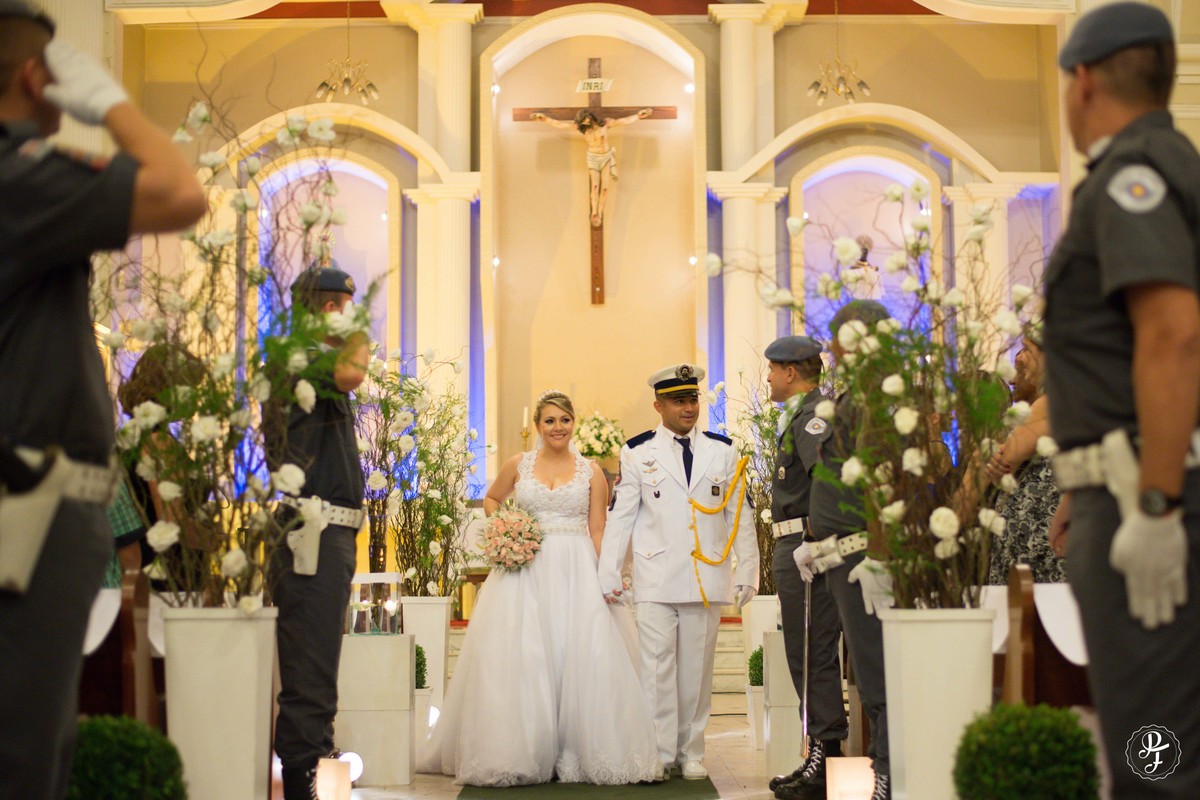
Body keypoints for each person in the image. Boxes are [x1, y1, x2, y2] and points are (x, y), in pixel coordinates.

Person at [0, 4, 205, 798]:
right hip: (27, 497)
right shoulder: (21, 176)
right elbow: (180, 191)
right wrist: (113, 105)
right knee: (25, 749)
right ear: (37, 77)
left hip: (38, 496)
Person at [1042, 4, 1200, 795]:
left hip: (1151, 493)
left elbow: (1172, 333)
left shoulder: (1131, 178)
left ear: (1083, 80)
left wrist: (1157, 502)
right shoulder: (1170, 165)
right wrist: (1085, 478)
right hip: (1131, 478)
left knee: (1153, 750)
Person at [419, 390, 660, 786]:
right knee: (525, 655)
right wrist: (507, 525)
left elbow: (598, 527)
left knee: (582, 654)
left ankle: (577, 750)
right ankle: (521, 749)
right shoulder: (518, 464)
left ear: (573, 424)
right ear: (537, 426)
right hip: (525, 568)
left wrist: (610, 574)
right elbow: (492, 499)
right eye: (550, 420)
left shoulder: (591, 472)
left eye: (564, 420)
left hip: (577, 569)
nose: (557, 427)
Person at [599, 364, 760, 781]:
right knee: (656, 669)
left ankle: (691, 751)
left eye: (692, 399)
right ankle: (659, 751)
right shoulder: (637, 452)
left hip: (706, 575)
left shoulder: (722, 451)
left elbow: (739, 515)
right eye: (678, 401)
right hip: (656, 575)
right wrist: (609, 572)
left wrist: (748, 570)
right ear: (659, 406)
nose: (688, 408)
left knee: (696, 671)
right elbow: (621, 516)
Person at [266, 265, 370, 800]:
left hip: (327, 532)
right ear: (329, 309)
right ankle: (303, 778)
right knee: (309, 664)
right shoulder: (298, 356)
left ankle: (314, 765)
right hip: (311, 530)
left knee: (318, 662)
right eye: (344, 309)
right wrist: (358, 329)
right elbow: (353, 371)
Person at [798, 300, 893, 800]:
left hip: (863, 557)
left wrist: (878, 554)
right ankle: (886, 772)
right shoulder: (858, 394)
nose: (832, 349)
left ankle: (890, 777)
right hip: (843, 554)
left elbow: (880, 475)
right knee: (869, 670)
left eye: (839, 338)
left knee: (876, 673)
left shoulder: (876, 396)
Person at [760, 337, 849, 800]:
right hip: (795, 541)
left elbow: (825, 479)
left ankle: (826, 757)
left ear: (791, 372)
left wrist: (813, 540)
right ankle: (817, 751)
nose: (768, 378)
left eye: (773, 370)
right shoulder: (801, 414)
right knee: (803, 650)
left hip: (804, 544)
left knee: (812, 651)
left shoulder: (814, 416)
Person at [985, 338, 1063, 584]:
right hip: (1039, 533)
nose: (1018, 358)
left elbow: (1008, 458)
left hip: (1037, 536)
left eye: (1027, 349)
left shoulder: (1051, 401)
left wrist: (997, 460)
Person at [530, 106, 652, 227]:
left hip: (605, 157)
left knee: (604, 189)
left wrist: (638, 116)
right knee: (594, 187)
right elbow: (560, 124)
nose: (585, 123)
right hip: (593, 158)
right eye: (582, 122)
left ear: (589, 116)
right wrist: (544, 119)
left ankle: (600, 212)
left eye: (585, 120)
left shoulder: (605, 124)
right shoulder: (582, 128)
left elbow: (623, 121)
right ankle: (594, 212)